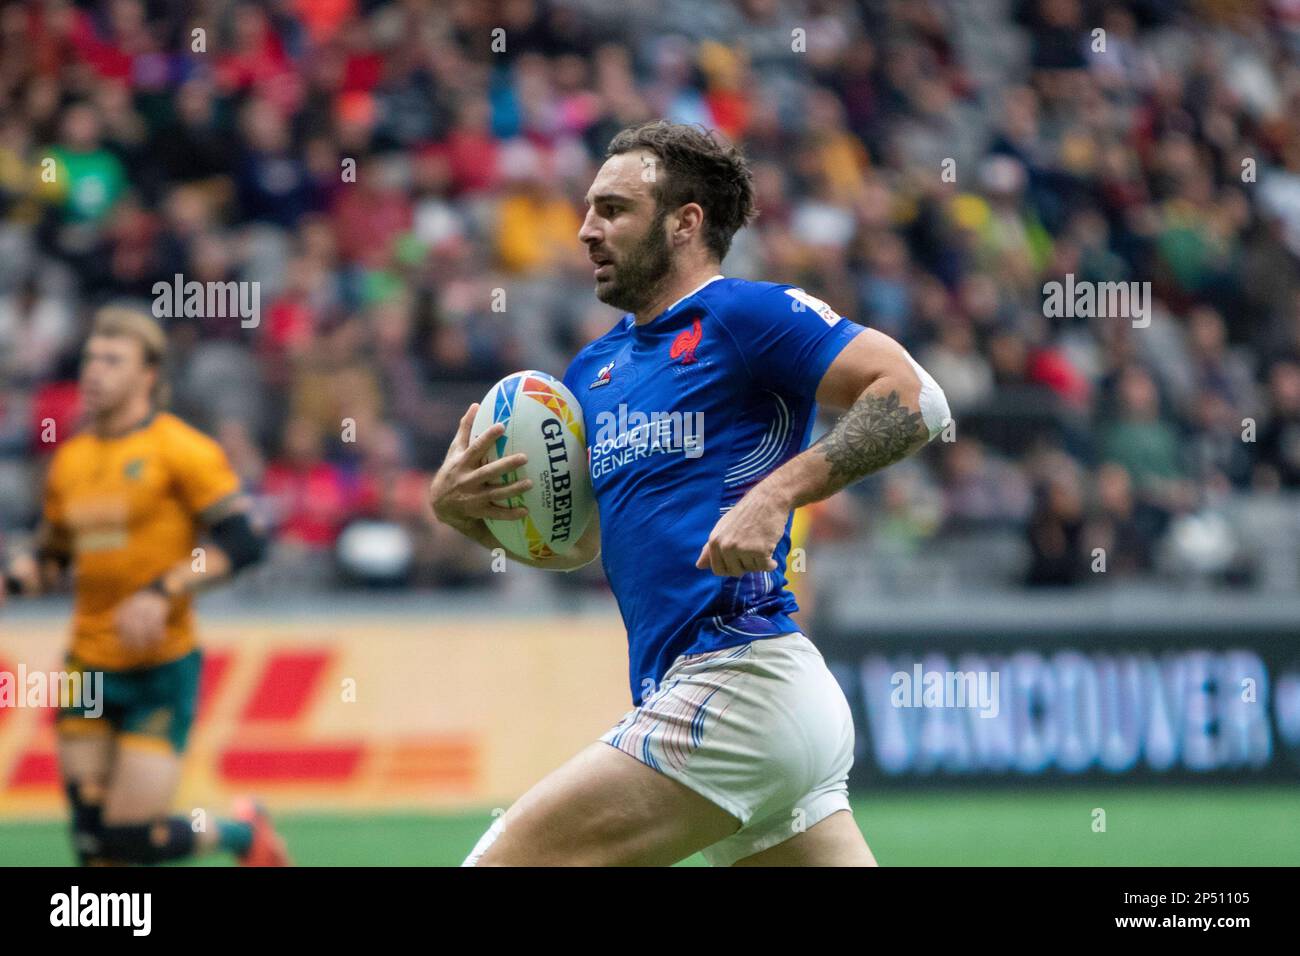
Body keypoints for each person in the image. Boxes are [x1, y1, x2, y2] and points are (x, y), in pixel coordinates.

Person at [431, 121, 950, 866]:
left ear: (685, 222)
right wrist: (469, 520)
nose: (585, 230)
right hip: (745, 699)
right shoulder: (591, 372)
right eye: (587, 209)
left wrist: (777, 495)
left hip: (739, 680)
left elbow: (917, 397)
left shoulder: (742, 316)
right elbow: (581, 542)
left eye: (612, 210)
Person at [1, 307, 288, 866]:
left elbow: (246, 540)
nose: (94, 372)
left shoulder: (182, 449)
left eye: (113, 360)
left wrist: (164, 590)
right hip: (88, 665)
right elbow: (54, 553)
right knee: (92, 845)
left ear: (149, 374)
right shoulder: (71, 461)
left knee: (130, 839)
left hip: (160, 668)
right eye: (89, 359)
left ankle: (240, 836)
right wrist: (16, 577)